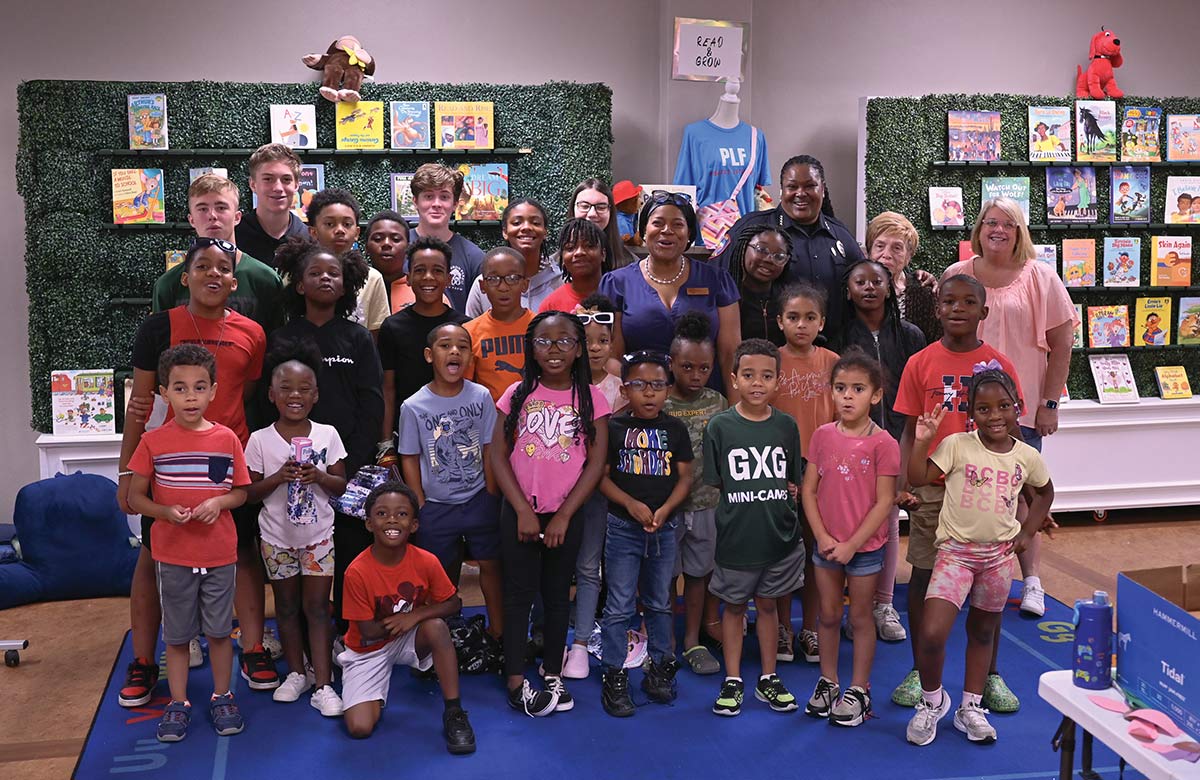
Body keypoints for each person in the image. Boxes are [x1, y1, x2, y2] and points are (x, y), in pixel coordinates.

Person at [117, 238, 268, 708]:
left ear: (233, 279)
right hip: (169, 468)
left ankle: (254, 648)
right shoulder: (158, 327)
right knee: (154, 559)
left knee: (242, 553)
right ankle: (145, 661)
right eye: (202, 266)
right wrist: (127, 473)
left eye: (223, 267)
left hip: (229, 460)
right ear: (185, 278)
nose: (212, 274)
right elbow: (140, 407)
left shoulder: (253, 333)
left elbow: (252, 398)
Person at [890, 274, 1022, 710]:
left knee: (990, 587)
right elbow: (910, 431)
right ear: (937, 308)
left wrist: (1020, 497)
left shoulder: (1001, 365)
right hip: (934, 490)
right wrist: (905, 483)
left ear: (984, 312)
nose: (958, 309)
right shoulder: (920, 363)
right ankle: (919, 669)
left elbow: (1014, 437)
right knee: (925, 575)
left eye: (969, 302)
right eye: (949, 301)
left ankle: (990, 674)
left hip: (987, 496)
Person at [942, 196, 1075, 623]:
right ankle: (969, 575)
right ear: (978, 229)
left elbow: (1062, 345)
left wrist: (1048, 405)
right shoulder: (956, 276)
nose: (998, 230)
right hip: (965, 409)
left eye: (1008, 224)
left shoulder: (1041, 277)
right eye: (990, 222)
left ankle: (1031, 579)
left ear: (1020, 232)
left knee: (1024, 496)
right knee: (969, 492)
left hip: (1020, 410)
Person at [905, 367, 1053, 747]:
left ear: (1018, 408)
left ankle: (970, 707)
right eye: (984, 409)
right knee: (933, 631)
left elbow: (1045, 493)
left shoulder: (1026, 456)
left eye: (1004, 406)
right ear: (972, 415)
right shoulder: (956, 444)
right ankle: (932, 700)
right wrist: (922, 441)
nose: (995, 416)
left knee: (983, 631)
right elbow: (918, 475)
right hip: (955, 555)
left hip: (998, 559)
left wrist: (1027, 530)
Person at [126, 344, 251, 742]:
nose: (191, 396)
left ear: (214, 390)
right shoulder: (152, 442)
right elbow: (136, 498)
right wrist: (164, 513)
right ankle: (177, 703)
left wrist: (218, 501)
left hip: (219, 553)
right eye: (180, 389)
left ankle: (222, 695)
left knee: (218, 632)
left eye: (199, 387)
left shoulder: (226, 439)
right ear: (164, 393)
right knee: (177, 636)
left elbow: (241, 493)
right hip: (173, 555)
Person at [490, 312, 610, 716]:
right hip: (520, 511)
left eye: (564, 341)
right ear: (531, 347)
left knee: (559, 595)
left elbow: (595, 464)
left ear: (579, 349)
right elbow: (498, 456)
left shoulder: (592, 399)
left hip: (566, 513)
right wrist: (522, 508)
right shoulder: (517, 394)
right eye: (544, 341)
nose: (554, 349)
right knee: (519, 592)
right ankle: (515, 675)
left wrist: (563, 516)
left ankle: (552, 669)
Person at [270, 237, 383, 637]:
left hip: (344, 468)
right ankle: (301, 636)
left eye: (332, 273)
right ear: (299, 284)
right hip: (293, 470)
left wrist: (349, 465)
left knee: (349, 553)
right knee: (299, 552)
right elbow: (273, 403)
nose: (324, 279)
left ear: (345, 284)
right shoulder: (283, 338)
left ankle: (346, 632)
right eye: (314, 273)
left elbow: (372, 403)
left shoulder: (356, 338)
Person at [243, 339, 347, 716]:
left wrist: (317, 475)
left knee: (317, 609)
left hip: (318, 537)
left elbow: (342, 485)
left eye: (304, 389)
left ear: (316, 395)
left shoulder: (327, 434)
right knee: (286, 607)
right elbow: (249, 493)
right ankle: (296, 674)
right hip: (276, 539)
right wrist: (277, 479)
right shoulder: (259, 440)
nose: (295, 395)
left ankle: (323, 684)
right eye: (285, 388)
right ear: (271, 394)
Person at [338, 482, 476, 755]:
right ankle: (369, 681)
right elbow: (367, 630)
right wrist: (403, 621)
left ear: (414, 525)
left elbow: (454, 603)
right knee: (360, 727)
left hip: (407, 633)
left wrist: (415, 615)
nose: (391, 519)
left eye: (401, 514)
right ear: (368, 524)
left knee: (436, 627)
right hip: (368, 648)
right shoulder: (356, 572)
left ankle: (454, 712)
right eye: (382, 514)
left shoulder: (426, 560)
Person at [705, 339, 805, 717]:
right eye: (748, 375)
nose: (757, 383)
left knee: (768, 606)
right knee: (733, 608)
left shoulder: (787, 427)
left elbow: (791, 480)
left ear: (778, 381)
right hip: (736, 540)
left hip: (778, 539)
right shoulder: (719, 427)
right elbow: (717, 482)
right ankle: (733, 679)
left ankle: (768, 676)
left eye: (766, 376)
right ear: (734, 379)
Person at [801, 351, 900, 727]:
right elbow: (809, 491)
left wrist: (852, 545)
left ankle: (859, 689)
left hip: (865, 550)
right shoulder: (823, 436)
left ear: (875, 395)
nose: (847, 396)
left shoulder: (884, 444)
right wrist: (824, 536)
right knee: (826, 614)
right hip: (826, 546)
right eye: (840, 388)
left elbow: (885, 501)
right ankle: (828, 681)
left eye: (857, 389)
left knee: (859, 617)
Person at [598, 350, 694, 717]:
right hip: (623, 527)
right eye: (639, 385)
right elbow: (601, 479)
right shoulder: (614, 428)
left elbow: (685, 477)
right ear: (625, 389)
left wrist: (666, 509)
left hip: (664, 527)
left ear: (668, 389)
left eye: (657, 385)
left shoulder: (675, 429)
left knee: (659, 601)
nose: (649, 393)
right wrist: (631, 505)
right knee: (619, 604)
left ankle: (659, 667)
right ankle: (614, 673)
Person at [833, 260, 924, 644]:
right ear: (848, 290)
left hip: (896, 441)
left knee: (885, 524)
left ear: (891, 288)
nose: (869, 288)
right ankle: (847, 605)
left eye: (877, 281)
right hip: (849, 444)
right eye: (860, 282)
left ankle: (883, 604)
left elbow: (916, 393)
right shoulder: (836, 335)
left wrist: (911, 444)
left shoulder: (910, 335)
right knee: (848, 522)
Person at [399, 322, 502, 648]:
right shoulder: (413, 406)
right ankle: (440, 643)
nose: (454, 351)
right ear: (430, 355)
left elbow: (489, 447)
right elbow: (410, 456)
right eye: (445, 345)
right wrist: (419, 501)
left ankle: (499, 633)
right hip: (436, 506)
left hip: (477, 498)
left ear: (470, 356)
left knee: (491, 565)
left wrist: (490, 492)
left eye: (461, 346)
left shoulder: (481, 396)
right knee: (438, 579)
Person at [601, 192, 740, 395]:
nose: (667, 231)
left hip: (706, 407)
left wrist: (734, 413)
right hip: (642, 405)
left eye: (677, 224)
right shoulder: (617, 283)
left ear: (689, 233)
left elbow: (730, 355)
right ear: (644, 230)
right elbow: (612, 357)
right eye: (657, 223)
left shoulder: (717, 280)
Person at [712, 155, 863, 341]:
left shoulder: (841, 235)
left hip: (829, 355)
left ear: (822, 190)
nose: (801, 193)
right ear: (782, 191)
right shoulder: (751, 228)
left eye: (810, 186)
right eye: (792, 187)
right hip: (765, 354)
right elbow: (715, 281)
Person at [769, 284, 839, 664]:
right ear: (780, 321)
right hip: (778, 471)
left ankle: (810, 627)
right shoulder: (771, 362)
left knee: (817, 553)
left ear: (822, 322)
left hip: (822, 472)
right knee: (783, 552)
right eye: (793, 317)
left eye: (810, 317)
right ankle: (783, 626)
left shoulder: (832, 361)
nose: (801, 324)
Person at [562, 294, 624, 679]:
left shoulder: (621, 386)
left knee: (590, 567)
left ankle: (582, 642)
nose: (595, 349)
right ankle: (545, 632)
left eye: (603, 341)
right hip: (559, 492)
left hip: (602, 494)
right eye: (586, 342)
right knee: (552, 564)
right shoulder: (559, 385)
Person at [665, 313, 727, 676]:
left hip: (708, 504)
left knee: (700, 573)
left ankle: (693, 638)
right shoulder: (659, 403)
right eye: (687, 366)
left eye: (704, 368)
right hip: (669, 509)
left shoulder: (718, 402)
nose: (695, 375)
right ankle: (666, 640)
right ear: (671, 363)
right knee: (667, 575)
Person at [151, 173, 285, 335]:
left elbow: (278, 348)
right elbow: (160, 349)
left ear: (237, 217)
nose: (212, 216)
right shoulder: (169, 284)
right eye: (202, 209)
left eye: (221, 207)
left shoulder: (265, 279)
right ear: (191, 220)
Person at [378, 237, 470, 455]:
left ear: (448, 278)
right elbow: (388, 389)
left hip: (456, 429)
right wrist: (385, 442)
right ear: (408, 278)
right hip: (408, 433)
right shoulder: (392, 326)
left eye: (437, 271)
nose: (428, 277)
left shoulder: (465, 326)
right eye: (419, 270)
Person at [306, 188, 390, 341]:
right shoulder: (298, 274)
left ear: (357, 232)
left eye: (347, 224)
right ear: (313, 232)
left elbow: (375, 337)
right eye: (330, 224)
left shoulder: (372, 278)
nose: (339, 230)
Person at [409, 163, 485, 312]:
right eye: (428, 196)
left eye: (444, 197)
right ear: (415, 202)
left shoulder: (474, 257)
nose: (436, 204)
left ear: (455, 203)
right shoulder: (398, 248)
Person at [465, 198, 561, 316]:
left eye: (535, 223)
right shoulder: (485, 284)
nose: (526, 227)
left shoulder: (560, 280)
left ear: (545, 232)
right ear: (505, 232)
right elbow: (471, 331)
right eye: (516, 223)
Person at [464, 247, 535, 401]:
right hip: (490, 419)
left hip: (536, 417)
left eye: (512, 278)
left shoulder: (540, 328)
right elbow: (465, 388)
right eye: (493, 279)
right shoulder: (469, 333)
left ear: (525, 284)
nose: (503, 287)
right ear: (482, 286)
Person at [865, 211, 940, 344]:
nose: (886, 254)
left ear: (908, 256)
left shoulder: (924, 292)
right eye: (880, 246)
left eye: (897, 248)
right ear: (870, 251)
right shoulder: (856, 290)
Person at [236, 143, 310, 267]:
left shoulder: (308, 239)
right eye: (268, 179)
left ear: (296, 185)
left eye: (286, 179)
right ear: (253, 184)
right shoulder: (234, 236)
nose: (278, 188)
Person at [725, 225, 793, 345]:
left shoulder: (788, 301)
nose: (769, 259)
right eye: (761, 250)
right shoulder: (725, 299)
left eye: (779, 256)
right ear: (744, 248)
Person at [540, 218, 610, 314]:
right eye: (570, 248)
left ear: (603, 254)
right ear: (562, 258)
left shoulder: (621, 295)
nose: (579, 252)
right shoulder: (550, 306)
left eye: (589, 246)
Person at [567, 178, 638, 269]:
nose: (592, 214)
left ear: (610, 212)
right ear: (573, 209)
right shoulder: (554, 269)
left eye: (601, 207)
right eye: (584, 206)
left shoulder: (631, 265)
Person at [361, 210, 417, 313]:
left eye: (395, 239)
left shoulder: (420, 289)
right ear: (366, 248)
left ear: (408, 248)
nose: (386, 244)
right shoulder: (355, 288)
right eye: (378, 239)